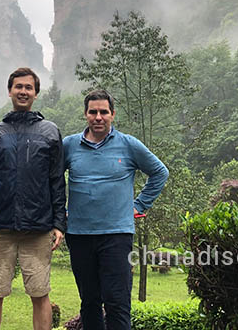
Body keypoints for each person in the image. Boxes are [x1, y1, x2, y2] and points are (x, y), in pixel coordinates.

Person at [63, 89, 169, 330]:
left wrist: (140, 205)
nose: (98, 117)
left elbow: (160, 172)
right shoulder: (69, 145)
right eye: (93, 112)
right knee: (89, 302)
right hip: (79, 235)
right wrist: (60, 212)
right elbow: (51, 179)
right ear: (85, 114)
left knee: (117, 302)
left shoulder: (129, 144)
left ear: (113, 114)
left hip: (117, 236)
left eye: (103, 112)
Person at [0, 67, 66, 330]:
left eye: (28, 87)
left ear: (36, 93)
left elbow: (56, 180)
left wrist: (59, 223)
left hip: (38, 228)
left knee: (40, 293)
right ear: (10, 91)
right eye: (19, 86)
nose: (23, 91)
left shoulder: (50, 131)